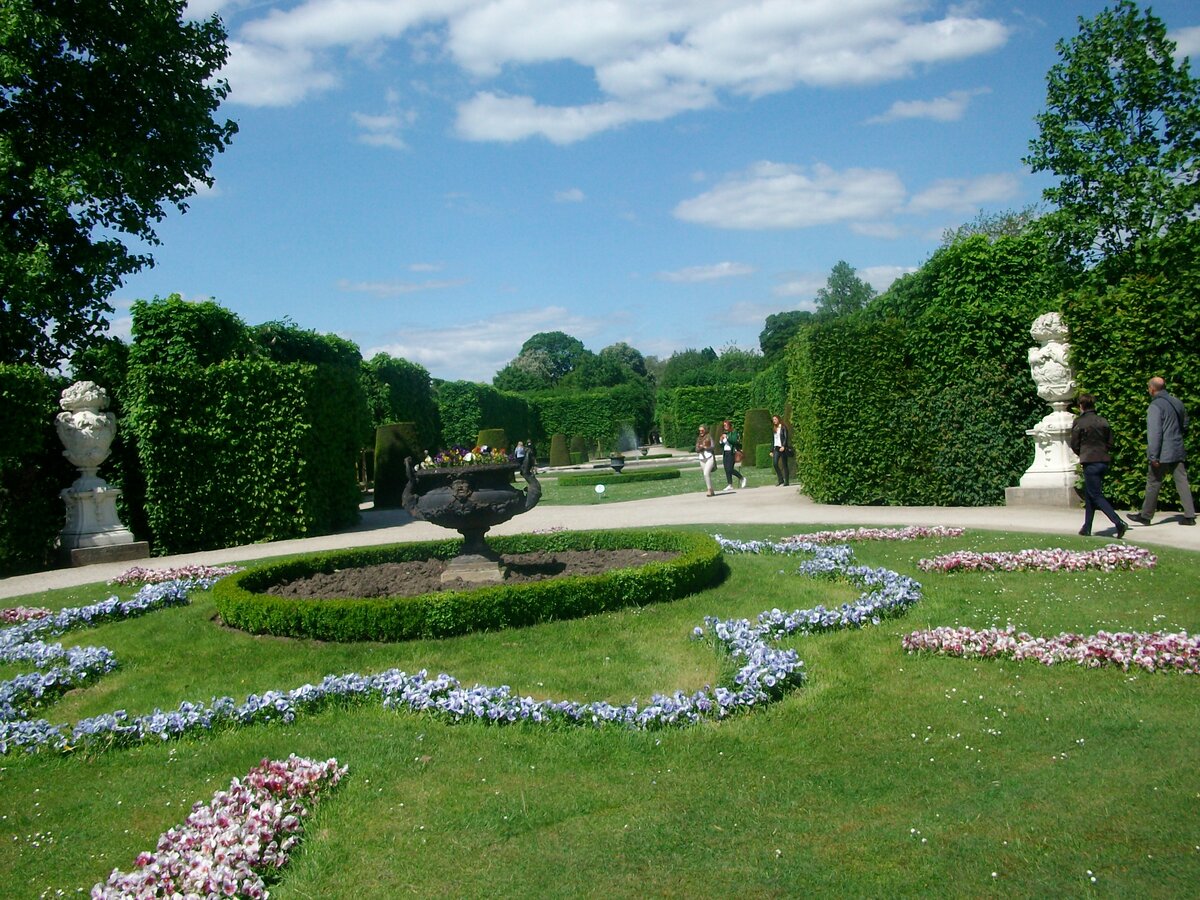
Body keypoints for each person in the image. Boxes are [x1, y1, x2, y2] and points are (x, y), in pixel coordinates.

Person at [1129, 376, 1195, 526]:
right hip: (1177, 447)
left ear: (1152, 389)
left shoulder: (1155, 406)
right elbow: (1185, 422)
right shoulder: (1177, 402)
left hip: (1162, 451)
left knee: (1153, 481)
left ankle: (1146, 515)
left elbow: (1155, 433)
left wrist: (1153, 456)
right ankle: (1189, 515)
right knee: (1182, 481)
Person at [1068, 394, 1127, 538]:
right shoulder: (1102, 421)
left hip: (1090, 460)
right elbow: (1110, 441)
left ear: (1080, 406)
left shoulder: (1079, 422)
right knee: (1090, 493)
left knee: (1096, 495)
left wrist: (1082, 454)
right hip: (1103, 459)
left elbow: (1074, 444)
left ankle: (1118, 522)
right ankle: (1087, 527)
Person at [718, 420, 747, 492]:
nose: (725, 427)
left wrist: (727, 437)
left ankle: (742, 478)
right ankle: (730, 484)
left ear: (729, 425)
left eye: (726, 425)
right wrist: (721, 441)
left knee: (730, 469)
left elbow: (735, 441)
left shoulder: (734, 432)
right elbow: (722, 445)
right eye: (724, 425)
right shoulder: (725, 433)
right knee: (726, 469)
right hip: (725, 453)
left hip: (732, 452)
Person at [695, 424, 716, 497]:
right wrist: (699, 448)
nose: (701, 432)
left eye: (702, 430)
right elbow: (696, 449)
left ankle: (709, 490)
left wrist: (705, 447)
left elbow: (713, 447)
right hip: (702, 458)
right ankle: (711, 490)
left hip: (709, 457)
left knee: (706, 473)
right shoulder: (698, 438)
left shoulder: (709, 437)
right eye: (700, 431)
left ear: (705, 430)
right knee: (707, 475)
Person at [770, 414, 790, 486]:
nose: (774, 421)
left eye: (775, 419)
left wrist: (784, 446)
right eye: (773, 420)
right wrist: (771, 450)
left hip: (782, 448)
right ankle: (780, 479)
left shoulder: (783, 427)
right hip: (776, 448)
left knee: (785, 465)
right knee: (775, 463)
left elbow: (786, 437)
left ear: (778, 419)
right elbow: (773, 440)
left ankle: (786, 481)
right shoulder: (774, 428)